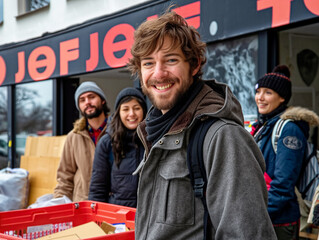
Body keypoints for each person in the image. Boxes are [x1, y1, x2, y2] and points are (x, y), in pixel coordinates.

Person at [127, 10, 277, 239]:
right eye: (148, 63)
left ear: (194, 65)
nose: (159, 73)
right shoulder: (155, 131)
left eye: (171, 60)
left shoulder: (223, 137)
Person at [251, 65, 319, 240]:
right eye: (258, 91)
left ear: (282, 98)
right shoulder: (263, 126)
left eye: (268, 93)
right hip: (262, 216)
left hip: (277, 221)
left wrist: (258, 216)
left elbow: (283, 184)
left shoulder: (289, 130)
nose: (260, 97)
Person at [88, 87, 146, 207]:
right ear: (118, 113)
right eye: (125, 109)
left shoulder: (153, 140)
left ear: (144, 111)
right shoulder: (107, 142)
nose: (132, 114)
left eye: (137, 108)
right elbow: (98, 188)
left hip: (150, 217)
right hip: (118, 217)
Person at [53, 81, 110, 202]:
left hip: (111, 203)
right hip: (83, 203)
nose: (87, 102)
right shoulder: (73, 137)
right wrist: (59, 203)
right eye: (82, 100)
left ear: (103, 100)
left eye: (92, 97)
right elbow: (65, 177)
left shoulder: (117, 131)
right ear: (79, 107)